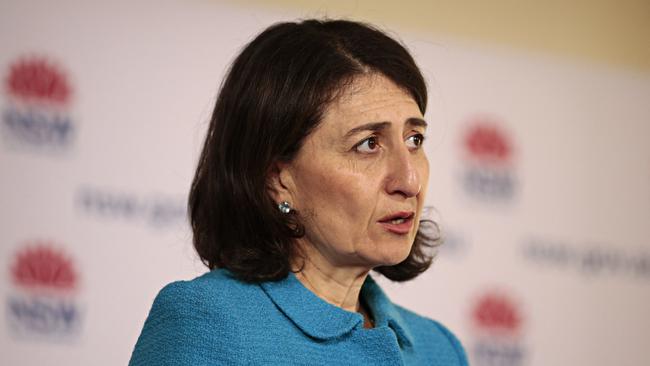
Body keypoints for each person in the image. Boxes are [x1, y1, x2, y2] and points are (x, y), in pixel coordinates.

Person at [129, 19, 468, 365]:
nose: (409, 181)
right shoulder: (207, 324)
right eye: (368, 144)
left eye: (414, 140)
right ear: (278, 180)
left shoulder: (439, 349)